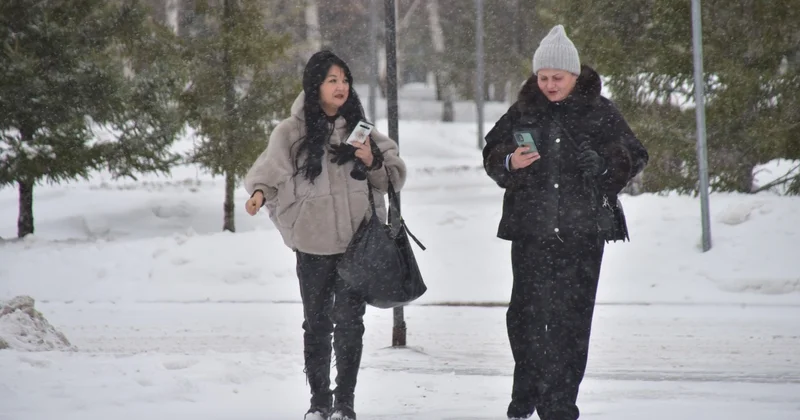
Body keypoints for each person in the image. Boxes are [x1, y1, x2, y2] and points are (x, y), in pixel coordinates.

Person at [482, 25, 649, 420]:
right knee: (525, 315)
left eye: (557, 78)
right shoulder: (524, 108)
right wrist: (510, 161)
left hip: (582, 232)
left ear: (575, 76)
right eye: (543, 78)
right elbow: (492, 150)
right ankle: (526, 393)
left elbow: (636, 154)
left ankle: (559, 405)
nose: (550, 85)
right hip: (530, 229)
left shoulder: (601, 110)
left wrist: (607, 164)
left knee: (571, 322)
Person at [243, 50, 407, 420]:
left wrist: (370, 159)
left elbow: (392, 177)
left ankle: (344, 404)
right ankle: (319, 403)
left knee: (350, 324)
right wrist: (257, 195)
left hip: (356, 244)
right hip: (313, 243)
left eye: (345, 80)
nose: (340, 87)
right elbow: (269, 172)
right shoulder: (291, 131)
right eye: (332, 80)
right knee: (317, 323)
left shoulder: (360, 129)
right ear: (315, 85)